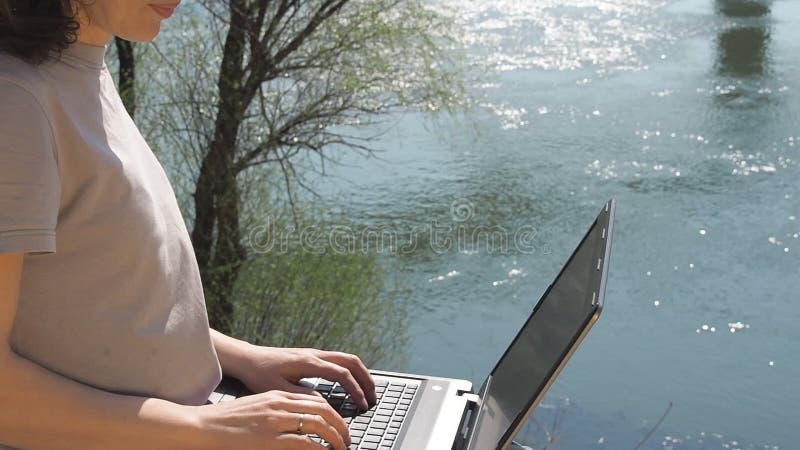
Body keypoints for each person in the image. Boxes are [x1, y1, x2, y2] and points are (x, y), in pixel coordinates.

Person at [0, 1, 375, 448]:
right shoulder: (16, 100)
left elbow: (102, 306)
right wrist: (208, 429)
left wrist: (242, 358)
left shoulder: (78, 69)